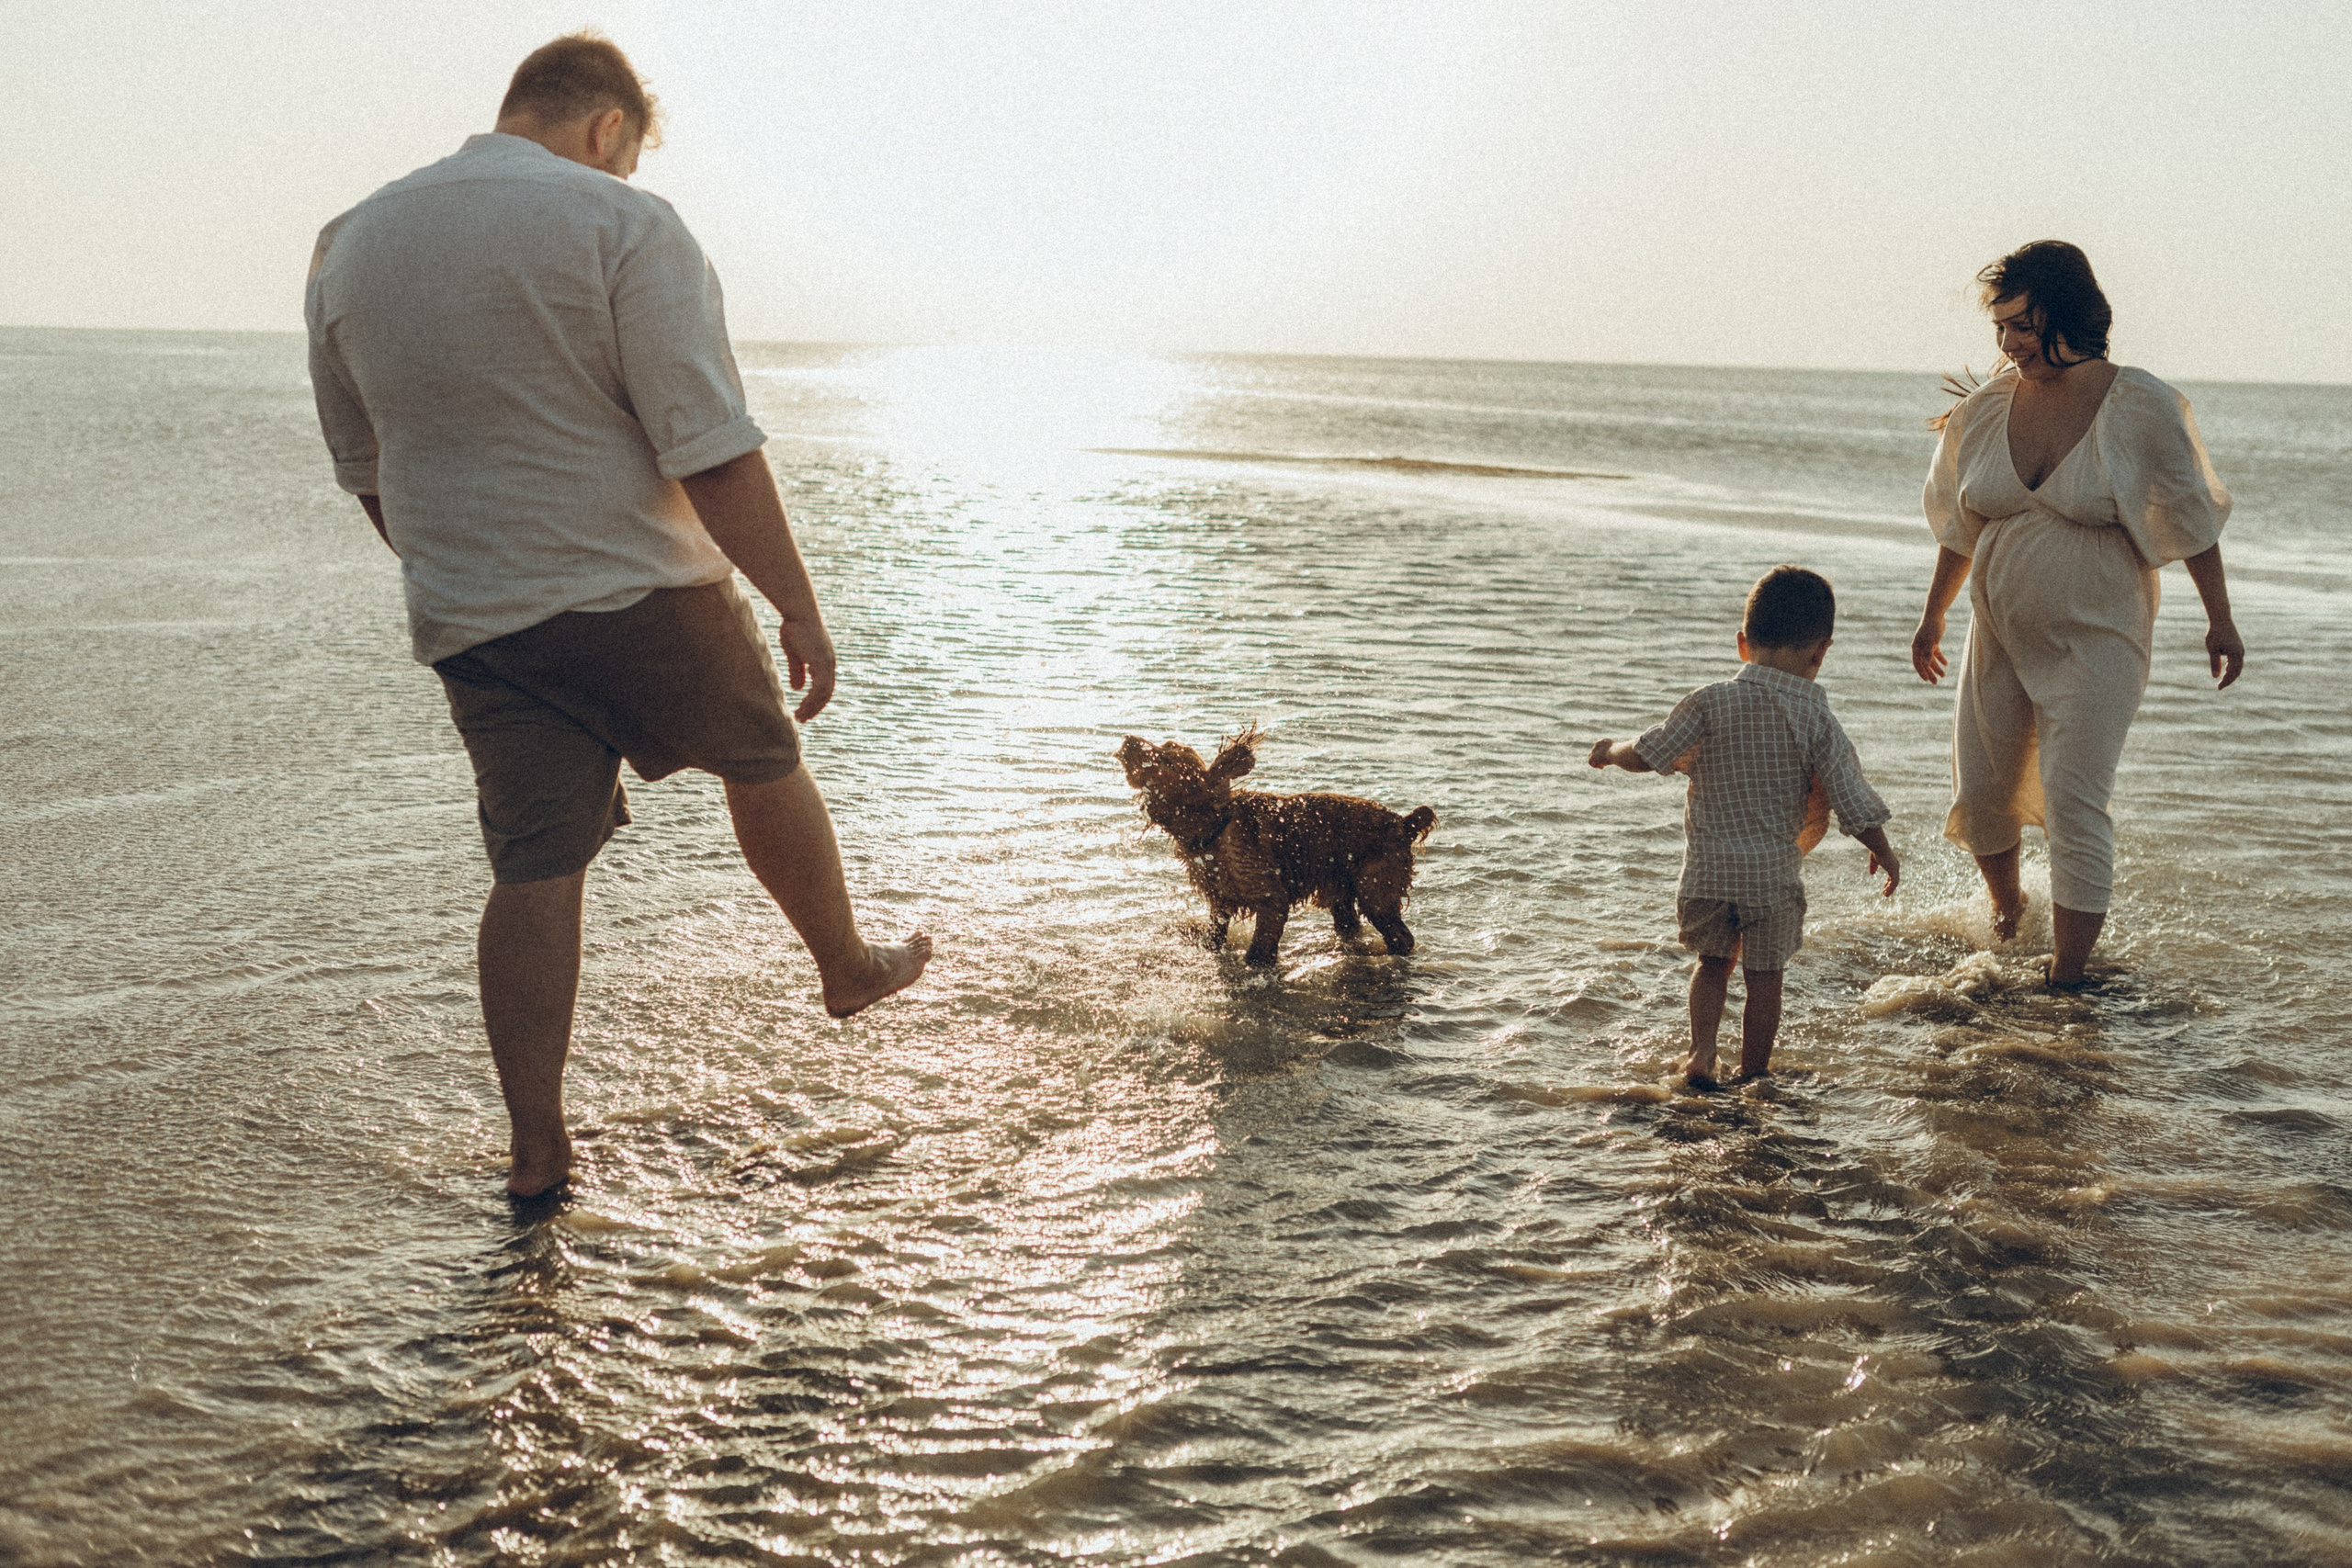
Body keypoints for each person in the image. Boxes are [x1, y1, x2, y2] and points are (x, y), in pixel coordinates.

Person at [305, 34, 931, 1197]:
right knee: (762, 753)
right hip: (632, 584)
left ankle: (537, 1146)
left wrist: (469, 575)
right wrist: (796, 604)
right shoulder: (623, 224)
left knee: (537, 863)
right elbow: (711, 448)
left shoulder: (350, 241)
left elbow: (368, 472)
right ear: (608, 130)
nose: (626, 175)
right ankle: (845, 966)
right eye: (627, 157)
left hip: (472, 615)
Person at [1911, 241, 2242, 987]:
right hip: (1995, 630)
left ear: (2067, 312)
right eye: (2001, 327)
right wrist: (1932, 617)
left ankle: (2066, 979)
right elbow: (1959, 529)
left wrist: (2219, 620)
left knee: (2074, 796)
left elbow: (2192, 518)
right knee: (1982, 790)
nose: (2009, 343)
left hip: (2099, 634)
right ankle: (2007, 913)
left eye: (2024, 324)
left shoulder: (2140, 403)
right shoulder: (1986, 408)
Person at [1590, 567, 1900, 1088]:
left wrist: (1610, 751)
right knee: (1765, 980)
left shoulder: (1709, 701)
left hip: (1708, 875)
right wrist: (1884, 850)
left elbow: (1651, 753)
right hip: (1772, 880)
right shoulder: (1818, 718)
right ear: (1820, 652)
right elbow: (1852, 797)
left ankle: (1701, 1055)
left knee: (1712, 965)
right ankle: (1754, 1071)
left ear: (1742, 644)